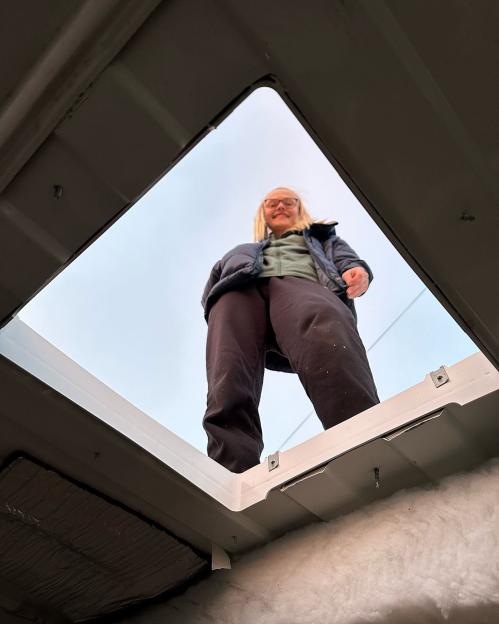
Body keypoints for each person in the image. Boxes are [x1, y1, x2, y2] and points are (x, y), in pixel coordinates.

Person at [201, 187, 379, 473]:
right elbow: (212, 288)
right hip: (242, 288)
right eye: (273, 202)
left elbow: (347, 259)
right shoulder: (240, 251)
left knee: (324, 326)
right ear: (264, 213)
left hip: (298, 285)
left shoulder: (322, 237)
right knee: (229, 366)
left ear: (299, 209)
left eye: (289, 201)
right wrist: (223, 312)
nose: (281, 206)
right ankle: (230, 465)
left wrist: (356, 270)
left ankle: (364, 437)